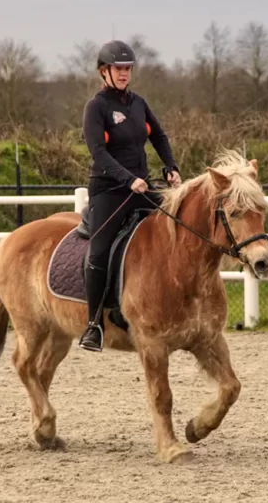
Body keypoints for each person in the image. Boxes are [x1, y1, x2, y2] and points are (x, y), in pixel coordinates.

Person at [78, 40, 182, 352]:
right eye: (118, 69)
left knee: (179, 226)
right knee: (98, 253)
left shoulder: (138, 103)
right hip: (110, 190)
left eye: (127, 69)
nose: (124, 74)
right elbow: (98, 152)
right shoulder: (96, 108)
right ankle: (94, 324)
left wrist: (170, 167)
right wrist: (128, 179)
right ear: (104, 71)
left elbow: (159, 136)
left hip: (142, 188)